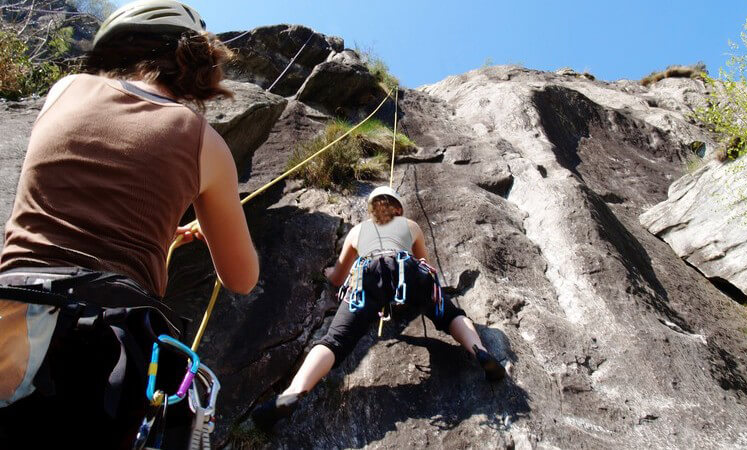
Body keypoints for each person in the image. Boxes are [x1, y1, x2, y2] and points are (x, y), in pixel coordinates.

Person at [0, 1, 258, 447]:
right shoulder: (205, 142)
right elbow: (240, 277)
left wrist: (160, 233)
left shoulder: (65, 90)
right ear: (197, 66)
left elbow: (88, 192)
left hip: (12, 312)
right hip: (108, 348)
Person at [251, 186, 505, 430]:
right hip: (409, 270)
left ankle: (293, 392)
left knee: (334, 340)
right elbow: (424, 264)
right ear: (398, 209)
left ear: (371, 209)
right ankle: (479, 351)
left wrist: (329, 272)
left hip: (369, 274)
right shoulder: (411, 226)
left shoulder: (358, 231)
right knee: (451, 314)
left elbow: (338, 278)